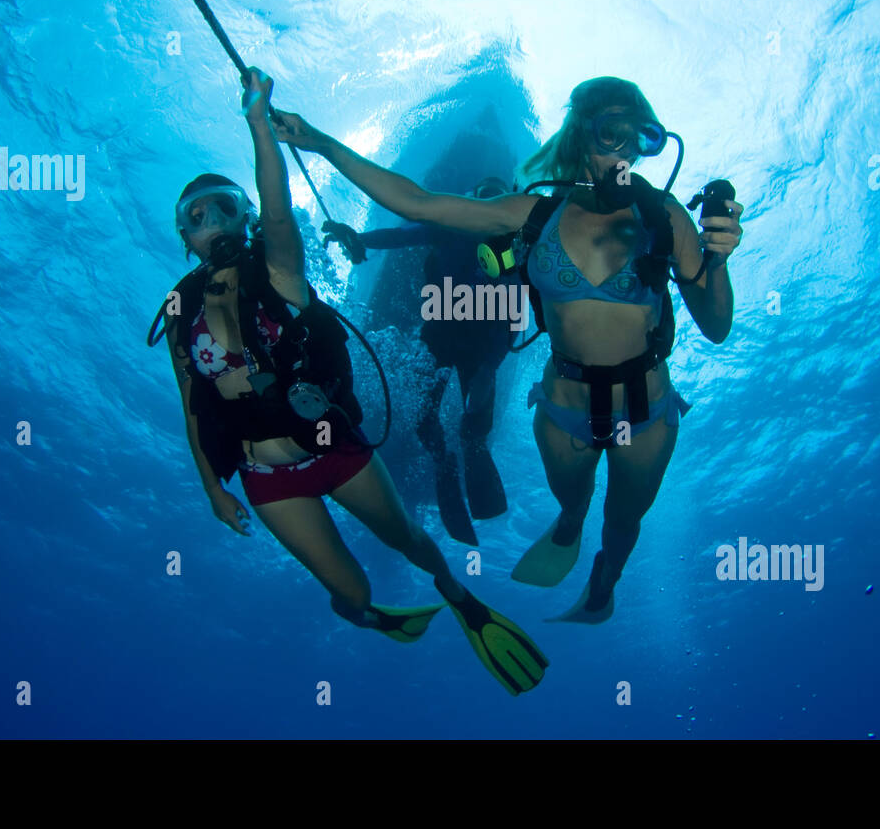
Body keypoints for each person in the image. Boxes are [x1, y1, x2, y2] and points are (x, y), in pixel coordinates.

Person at [269, 76, 743, 623]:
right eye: (613, 131)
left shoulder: (665, 217)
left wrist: (719, 259)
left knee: (624, 520)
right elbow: (419, 202)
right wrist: (321, 142)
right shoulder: (531, 214)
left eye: (644, 138)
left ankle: (603, 586)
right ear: (579, 135)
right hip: (565, 412)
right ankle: (567, 525)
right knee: (575, 502)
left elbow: (716, 327)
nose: (627, 151)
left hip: (647, 412)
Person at [146, 67, 548, 693]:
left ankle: (459, 597)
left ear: (244, 214)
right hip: (264, 476)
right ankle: (363, 605)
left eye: (224, 206)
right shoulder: (179, 313)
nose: (212, 221)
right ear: (185, 238)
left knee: (411, 538)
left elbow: (280, 215)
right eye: (195, 217)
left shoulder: (278, 266)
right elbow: (191, 405)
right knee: (354, 594)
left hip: (331, 444)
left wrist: (260, 125)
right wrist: (210, 489)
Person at [321, 177, 513, 546]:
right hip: (439, 335)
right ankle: (443, 461)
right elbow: (402, 236)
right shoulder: (449, 227)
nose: (489, 207)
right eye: (484, 197)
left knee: (475, 426)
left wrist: (491, 366)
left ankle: (471, 444)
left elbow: (515, 309)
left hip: (483, 342)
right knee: (425, 420)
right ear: (472, 199)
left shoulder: (511, 246)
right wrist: (359, 239)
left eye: (498, 199)